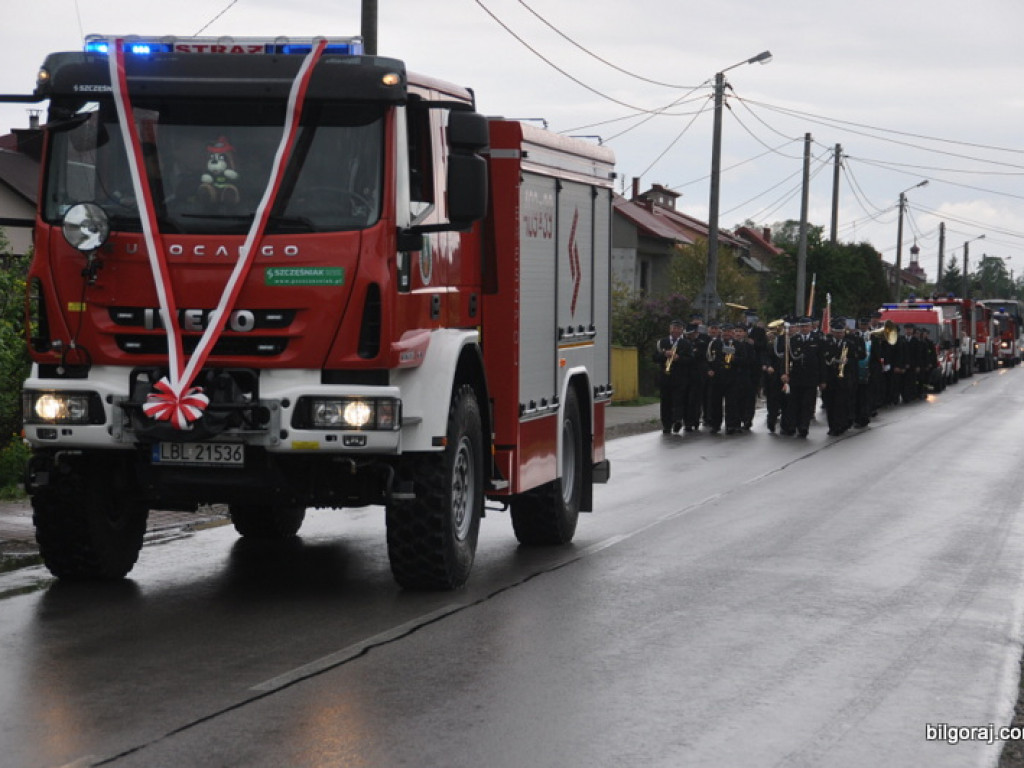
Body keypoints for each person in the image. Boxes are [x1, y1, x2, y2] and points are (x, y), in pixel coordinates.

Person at [780, 317, 824, 437]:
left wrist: (822, 380)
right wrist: (784, 373)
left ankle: (804, 426)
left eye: (807, 326)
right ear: (799, 327)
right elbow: (786, 359)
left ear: (811, 327)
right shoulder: (793, 340)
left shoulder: (817, 340)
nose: (804, 328)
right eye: (802, 326)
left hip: (811, 378)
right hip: (796, 377)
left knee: (807, 404)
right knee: (794, 403)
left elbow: (821, 361)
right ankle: (792, 426)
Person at [653, 319, 691, 433]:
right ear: (670, 329)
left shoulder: (686, 343)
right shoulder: (662, 342)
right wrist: (664, 354)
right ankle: (666, 424)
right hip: (665, 376)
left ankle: (677, 420)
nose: (676, 330)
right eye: (674, 328)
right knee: (665, 401)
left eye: (678, 328)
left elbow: (691, 359)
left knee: (679, 400)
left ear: (682, 330)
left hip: (680, 376)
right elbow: (654, 357)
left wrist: (679, 358)